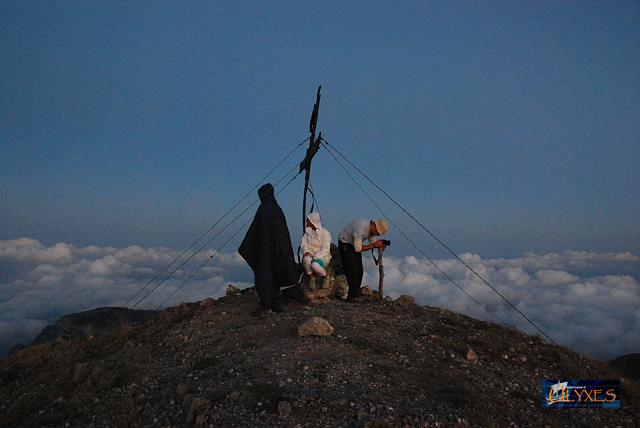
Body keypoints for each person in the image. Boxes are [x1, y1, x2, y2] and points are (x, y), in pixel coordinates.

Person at [238, 183, 305, 316]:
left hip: (266, 251)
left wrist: (247, 247)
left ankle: (266, 305)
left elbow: (255, 232)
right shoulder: (278, 209)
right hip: (281, 251)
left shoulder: (263, 209)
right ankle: (276, 304)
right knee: (276, 275)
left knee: (264, 276)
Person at [338, 219, 389, 301]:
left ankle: (355, 293)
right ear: (374, 226)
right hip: (345, 243)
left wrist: (380, 245)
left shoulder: (371, 229)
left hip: (353, 244)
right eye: (377, 233)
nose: (377, 234)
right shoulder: (361, 228)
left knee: (359, 270)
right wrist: (373, 246)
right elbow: (358, 249)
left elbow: (372, 242)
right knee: (352, 270)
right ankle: (352, 296)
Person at [301, 212, 331, 277]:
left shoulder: (325, 233)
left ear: (312, 221)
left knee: (314, 265)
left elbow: (325, 249)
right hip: (310, 255)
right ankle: (311, 278)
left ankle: (326, 275)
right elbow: (304, 244)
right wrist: (306, 251)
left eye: (308, 220)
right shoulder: (307, 233)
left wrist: (316, 257)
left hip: (322, 257)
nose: (307, 221)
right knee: (306, 259)